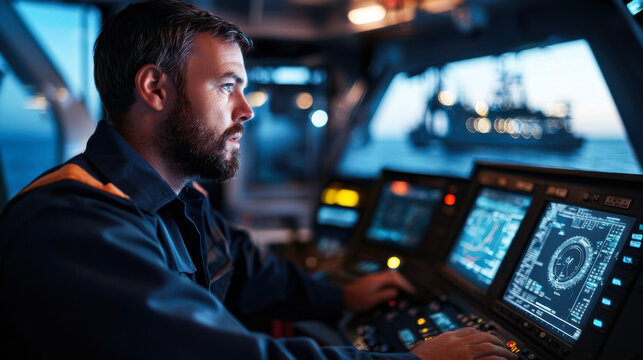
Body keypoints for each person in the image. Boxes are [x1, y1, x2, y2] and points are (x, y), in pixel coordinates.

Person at [0, 1, 517, 359]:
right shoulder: (72, 225)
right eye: (227, 86)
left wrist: (343, 297)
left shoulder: (181, 198)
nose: (246, 111)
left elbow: (247, 271)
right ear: (155, 88)